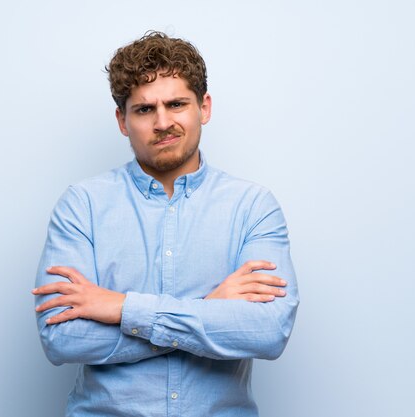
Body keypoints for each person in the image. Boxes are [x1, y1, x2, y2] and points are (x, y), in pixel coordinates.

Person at [32, 31, 299, 417]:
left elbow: (267, 333)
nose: (162, 122)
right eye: (143, 110)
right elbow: (63, 338)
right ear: (122, 120)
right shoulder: (82, 206)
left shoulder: (252, 207)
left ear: (203, 108)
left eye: (176, 104)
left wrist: (122, 308)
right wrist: (208, 309)